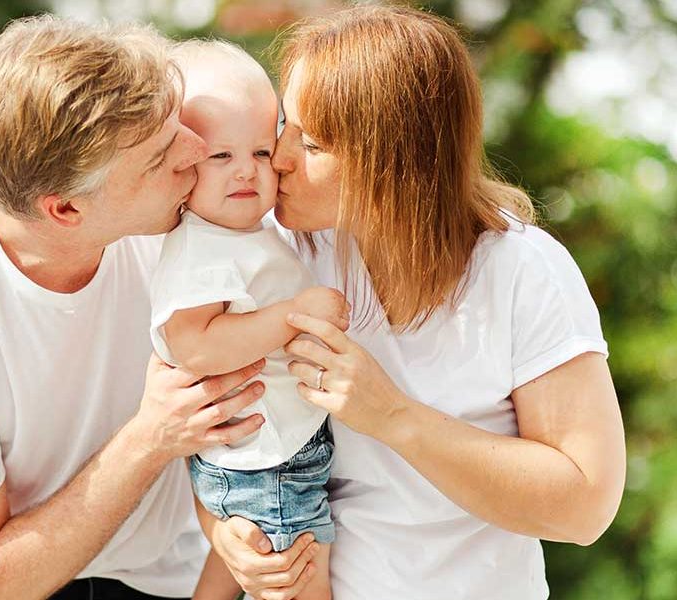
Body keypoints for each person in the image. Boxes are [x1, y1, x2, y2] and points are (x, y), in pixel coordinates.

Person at [199, 6, 628, 599]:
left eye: (315, 142)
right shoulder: (277, 252)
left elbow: (584, 506)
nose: (282, 158)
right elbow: (199, 427)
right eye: (283, 127)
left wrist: (393, 415)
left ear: (398, 160)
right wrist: (224, 535)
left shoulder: (523, 271)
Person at [0, 16, 273, 600]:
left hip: (151, 575)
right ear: (65, 211)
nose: (197, 150)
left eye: (175, 123)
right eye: (160, 156)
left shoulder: (186, 209)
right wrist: (151, 436)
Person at [149, 40, 347, 600]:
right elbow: (192, 346)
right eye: (221, 156)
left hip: (269, 448)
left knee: (241, 564)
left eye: (262, 152)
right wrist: (293, 316)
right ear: (179, 162)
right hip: (265, 457)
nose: (247, 171)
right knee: (302, 579)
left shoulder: (241, 234)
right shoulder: (200, 249)